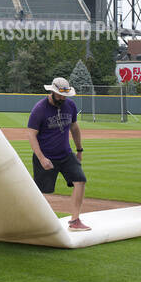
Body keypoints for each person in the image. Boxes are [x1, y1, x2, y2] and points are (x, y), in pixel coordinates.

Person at [27, 76, 90, 231]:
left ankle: (75, 221)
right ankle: (34, 221)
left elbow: (74, 128)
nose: (62, 98)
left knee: (80, 180)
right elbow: (31, 134)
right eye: (60, 95)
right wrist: (41, 158)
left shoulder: (70, 105)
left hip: (66, 154)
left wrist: (79, 149)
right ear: (52, 92)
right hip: (46, 156)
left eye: (65, 95)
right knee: (42, 192)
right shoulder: (40, 108)